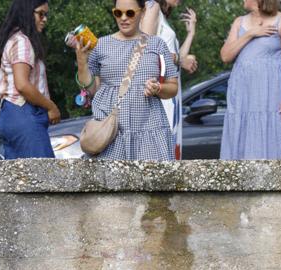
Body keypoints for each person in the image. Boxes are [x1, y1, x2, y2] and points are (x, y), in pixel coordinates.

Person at [70, 0, 180, 160]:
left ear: (142, 12)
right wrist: (81, 61)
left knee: (151, 184)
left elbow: (173, 86)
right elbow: (91, 89)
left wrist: (158, 89)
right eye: (118, 13)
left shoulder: (157, 44)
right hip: (111, 133)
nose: (123, 18)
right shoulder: (100, 45)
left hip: (149, 131)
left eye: (129, 13)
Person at [218, 0, 281, 160]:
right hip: (242, 95)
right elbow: (225, 56)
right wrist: (251, 33)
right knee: (239, 137)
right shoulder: (239, 22)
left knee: (268, 138)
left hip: (269, 94)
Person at [0, 0, 60, 159]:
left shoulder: (13, 39)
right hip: (23, 113)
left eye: (46, 14)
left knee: (21, 180)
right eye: (41, 14)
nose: (45, 19)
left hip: (11, 113)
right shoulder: (22, 41)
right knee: (44, 176)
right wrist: (51, 107)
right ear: (27, 13)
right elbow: (22, 85)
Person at [142, 0, 199, 159]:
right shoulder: (152, 6)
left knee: (170, 150)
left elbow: (175, 56)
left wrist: (191, 34)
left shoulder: (160, 14)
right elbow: (147, 49)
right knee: (161, 152)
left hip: (171, 91)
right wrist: (181, 60)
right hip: (161, 92)